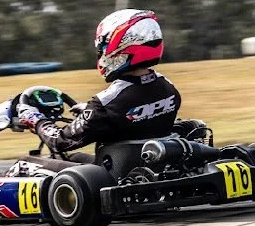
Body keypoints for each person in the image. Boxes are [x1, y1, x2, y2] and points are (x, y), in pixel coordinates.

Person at [15, 9, 181, 161]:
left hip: (115, 177)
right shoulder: (168, 89)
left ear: (118, 48)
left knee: (26, 164)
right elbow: (133, 116)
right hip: (151, 167)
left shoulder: (105, 104)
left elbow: (60, 141)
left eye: (103, 47)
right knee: (74, 158)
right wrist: (88, 111)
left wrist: (35, 120)